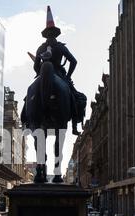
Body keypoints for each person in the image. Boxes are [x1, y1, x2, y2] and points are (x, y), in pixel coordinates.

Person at [33, 6, 81, 136]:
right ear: (55, 34)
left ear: (46, 35)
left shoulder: (40, 48)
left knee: (29, 97)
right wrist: (69, 76)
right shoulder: (60, 47)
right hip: (59, 74)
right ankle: (75, 126)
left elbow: (36, 67)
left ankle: (28, 121)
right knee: (77, 97)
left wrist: (39, 72)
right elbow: (74, 61)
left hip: (43, 75)